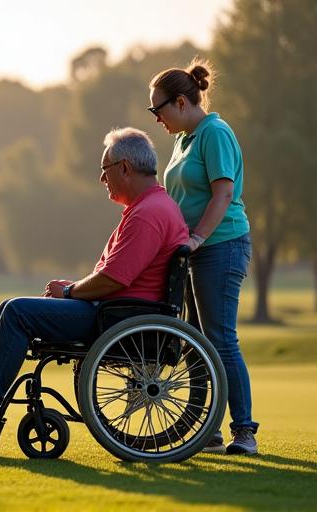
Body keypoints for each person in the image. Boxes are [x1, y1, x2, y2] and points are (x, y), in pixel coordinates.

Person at [0, 127, 188, 453]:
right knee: (9, 308)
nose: (102, 179)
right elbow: (114, 276)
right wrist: (72, 290)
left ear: (125, 168)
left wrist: (70, 293)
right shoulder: (152, 207)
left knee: (16, 311)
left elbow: (114, 279)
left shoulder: (148, 214)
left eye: (105, 170)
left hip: (116, 318)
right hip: (116, 312)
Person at [148, 59, 257, 455]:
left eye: (157, 109)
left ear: (180, 102)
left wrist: (196, 238)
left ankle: (244, 430)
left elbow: (223, 194)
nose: (156, 118)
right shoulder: (184, 139)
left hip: (221, 245)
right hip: (193, 249)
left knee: (220, 339)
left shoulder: (215, 133)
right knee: (195, 340)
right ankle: (206, 430)